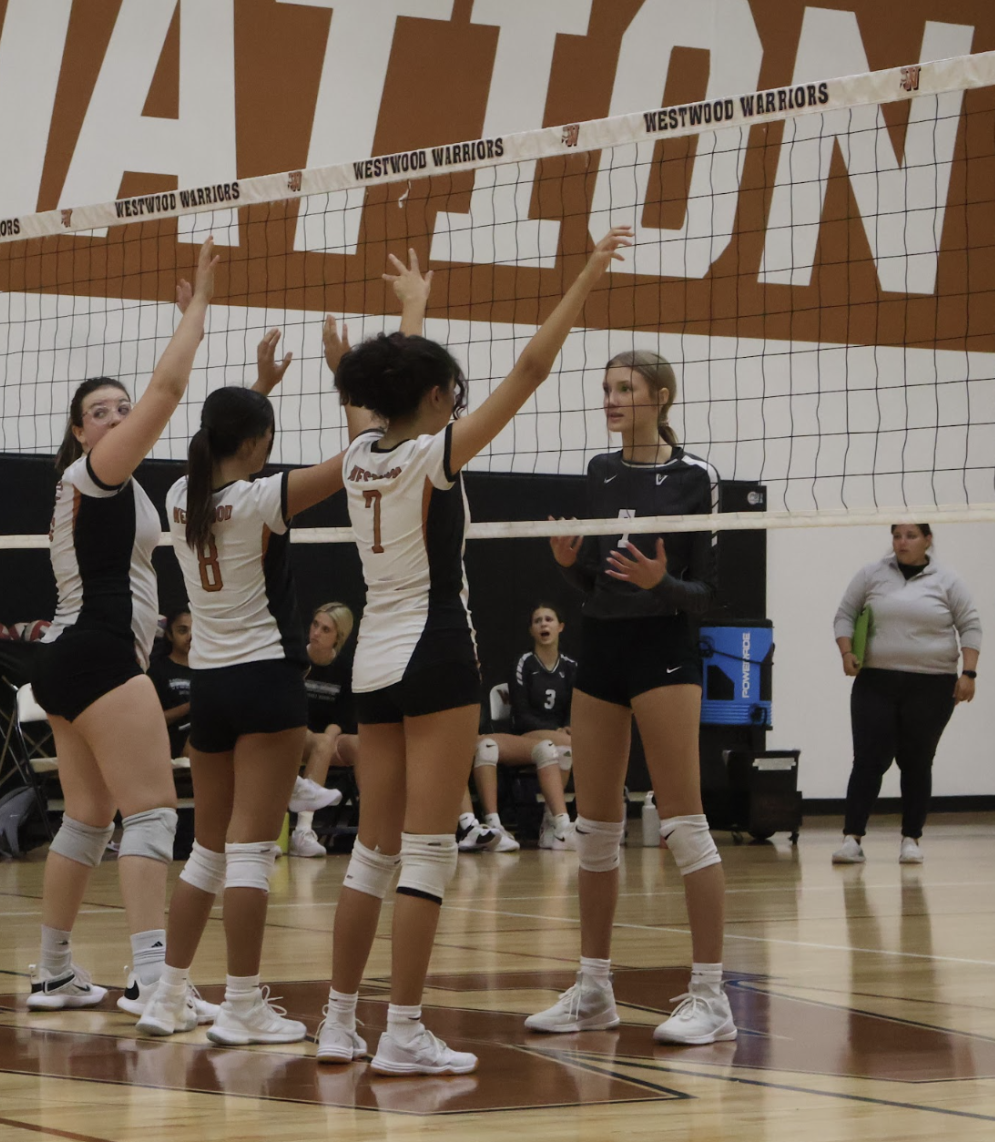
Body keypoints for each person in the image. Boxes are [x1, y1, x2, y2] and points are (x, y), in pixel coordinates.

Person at [314, 225, 633, 1076]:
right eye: (451, 390)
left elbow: (382, 394)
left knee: (372, 852)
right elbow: (529, 370)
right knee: (425, 850)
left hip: (373, 662)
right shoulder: (435, 453)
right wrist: (589, 274)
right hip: (435, 652)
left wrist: (410, 313)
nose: (460, 398)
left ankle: (339, 1022)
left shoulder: (356, 455)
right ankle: (404, 1031)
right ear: (435, 398)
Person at [135, 277, 420, 1042]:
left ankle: (167, 994)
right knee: (252, 855)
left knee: (208, 852)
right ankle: (242, 1005)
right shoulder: (265, 500)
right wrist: (343, 373)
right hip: (266, 685)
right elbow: (361, 455)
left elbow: (217, 445)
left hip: (213, 690)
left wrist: (255, 392)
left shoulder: (177, 497)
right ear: (257, 445)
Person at [25, 240, 217, 1013]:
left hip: (67, 661)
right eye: (99, 412)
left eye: (117, 407)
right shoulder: (97, 475)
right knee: (153, 810)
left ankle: (54, 971)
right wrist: (196, 313)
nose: (116, 416)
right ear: (79, 432)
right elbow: (166, 392)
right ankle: (150, 979)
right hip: (101, 654)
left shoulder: (120, 487)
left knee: (90, 815)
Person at [531, 348, 732, 1046]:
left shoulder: (696, 478)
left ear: (661, 396)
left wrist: (661, 585)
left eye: (626, 388)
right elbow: (597, 583)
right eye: (608, 387)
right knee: (595, 826)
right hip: (604, 652)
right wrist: (570, 570)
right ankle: (593, 989)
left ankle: (711, 996)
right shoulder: (600, 471)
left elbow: (708, 594)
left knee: (683, 822)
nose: (612, 398)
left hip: (664, 653)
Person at [831, 524, 981, 865]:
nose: (902, 542)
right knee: (868, 760)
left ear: (928, 540)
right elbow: (845, 615)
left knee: (916, 761)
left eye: (911, 535)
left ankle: (911, 839)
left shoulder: (948, 579)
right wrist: (845, 652)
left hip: (932, 683)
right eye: (897, 535)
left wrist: (969, 673)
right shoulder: (872, 574)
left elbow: (970, 624)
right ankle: (852, 838)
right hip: (876, 681)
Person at [462, 602, 577, 852]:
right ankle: (493, 825)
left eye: (549, 619)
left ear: (561, 627)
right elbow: (522, 715)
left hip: (552, 738)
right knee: (489, 747)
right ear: (531, 630)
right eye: (538, 620)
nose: (544, 624)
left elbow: (575, 706)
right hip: (525, 733)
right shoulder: (524, 663)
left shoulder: (570, 667)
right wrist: (558, 731)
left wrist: (567, 725)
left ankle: (555, 825)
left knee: (562, 748)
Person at [292, 602, 359, 858]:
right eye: (315, 624)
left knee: (359, 745)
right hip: (295, 731)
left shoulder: (345, 668)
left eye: (325, 629)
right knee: (320, 743)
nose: (316, 632)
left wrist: (329, 738)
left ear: (338, 637)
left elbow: (344, 714)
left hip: (326, 738)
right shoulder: (296, 658)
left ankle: (374, 821)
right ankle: (303, 830)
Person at [148, 608, 193, 758]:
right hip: (176, 741)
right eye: (182, 631)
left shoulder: (209, 670)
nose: (190, 637)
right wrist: (190, 706)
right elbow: (151, 721)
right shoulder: (158, 671)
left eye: (196, 631)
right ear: (169, 635)